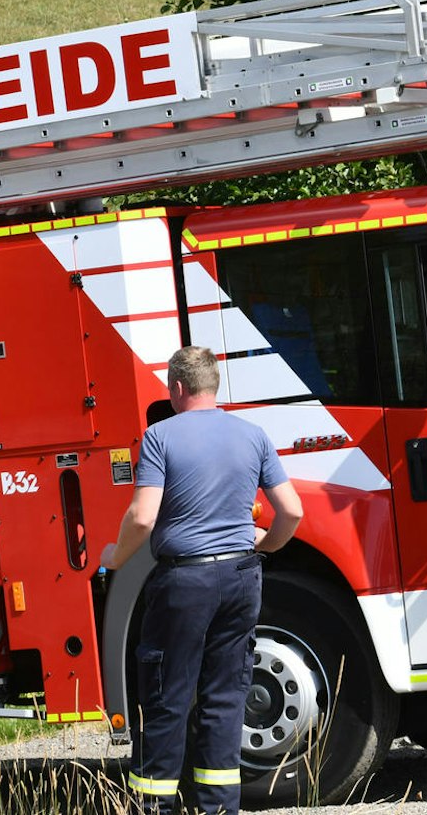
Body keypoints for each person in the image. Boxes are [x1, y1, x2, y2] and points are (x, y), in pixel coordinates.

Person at [101, 346, 304, 814]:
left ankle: (155, 806)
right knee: (224, 699)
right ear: (213, 386)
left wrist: (116, 558)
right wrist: (266, 546)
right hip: (240, 577)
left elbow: (142, 516)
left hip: (184, 582)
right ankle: (218, 808)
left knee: (167, 698)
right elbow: (291, 510)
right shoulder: (252, 435)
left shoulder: (160, 437)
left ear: (176, 388)